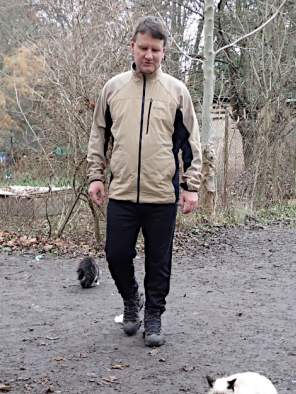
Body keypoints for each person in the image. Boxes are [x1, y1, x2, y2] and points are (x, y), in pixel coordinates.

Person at [87, 16, 202, 347]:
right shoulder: (113, 88)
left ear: (164, 51)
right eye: (143, 48)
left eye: (155, 49)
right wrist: (95, 176)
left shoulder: (176, 92)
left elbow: (191, 143)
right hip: (122, 191)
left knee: (159, 262)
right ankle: (130, 301)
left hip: (162, 194)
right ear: (132, 47)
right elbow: (99, 136)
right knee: (115, 254)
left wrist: (191, 186)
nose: (148, 55)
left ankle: (153, 315)